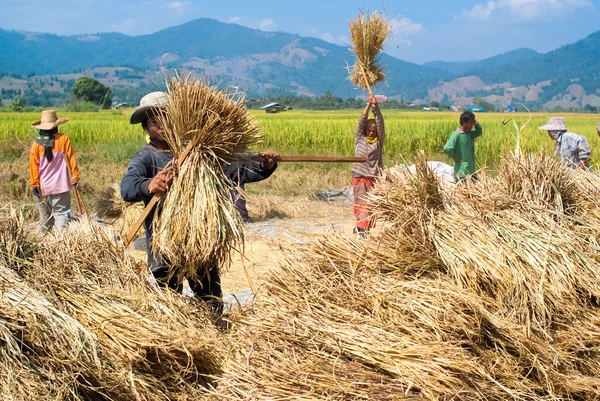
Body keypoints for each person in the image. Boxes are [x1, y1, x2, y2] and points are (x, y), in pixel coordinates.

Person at [120, 91, 279, 316]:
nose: (163, 124)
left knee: (210, 300)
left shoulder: (200, 153)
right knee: (169, 303)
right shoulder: (147, 158)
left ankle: (216, 331)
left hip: (201, 240)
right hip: (166, 244)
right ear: (146, 127)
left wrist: (265, 165)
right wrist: (149, 185)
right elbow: (127, 187)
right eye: (156, 121)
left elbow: (238, 170)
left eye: (168, 117)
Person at [29, 110, 80, 233]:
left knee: (45, 218)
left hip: (43, 187)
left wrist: (35, 184)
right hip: (60, 186)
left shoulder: (36, 144)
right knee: (62, 214)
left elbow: (33, 167)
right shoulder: (64, 140)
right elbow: (71, 160)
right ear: (56, 126)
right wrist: (75, 176)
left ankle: (44, 243)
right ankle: (60, 241)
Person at [351, 94, 385, 238]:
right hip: (359, 175)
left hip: (374, 175)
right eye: (369, 130)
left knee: (371, 205)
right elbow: (361, 121)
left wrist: (375, 107)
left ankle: (362, 228)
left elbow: (380, 123)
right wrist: (367, 105)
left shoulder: (379, 141)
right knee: (361, 203)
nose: (371, 132)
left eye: (374, 131)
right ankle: (362, 230)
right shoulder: (360, 139)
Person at [443, 111, 482, 182]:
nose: (472, 125)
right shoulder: (456, 135)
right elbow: (447, 148)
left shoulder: (469, 134)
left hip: (471, 170)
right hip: (462, 171)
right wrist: (455, 157)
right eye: (470, 123)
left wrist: (477, 124)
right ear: (464, 122)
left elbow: (479, 132)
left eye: (472, 122)